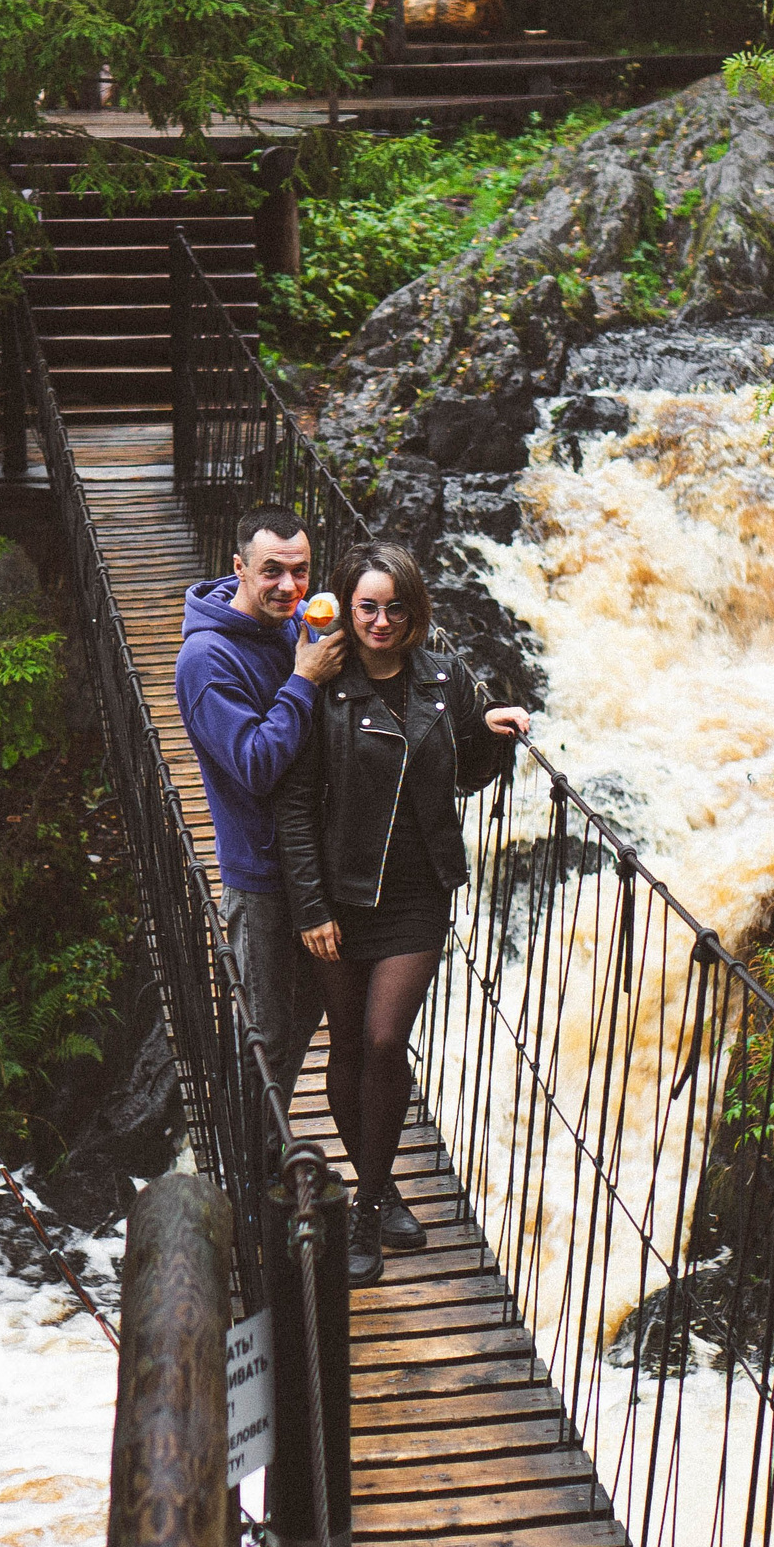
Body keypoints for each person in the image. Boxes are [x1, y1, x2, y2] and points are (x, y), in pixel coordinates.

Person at [277, 541, 532, 1284]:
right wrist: (310, 904)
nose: (380, 621)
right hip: (340, 899)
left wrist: (493, 735)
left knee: (386, 1041)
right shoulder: (324, 684)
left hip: (417, 894)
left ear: (413, 608)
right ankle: (382, 1187)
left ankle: (362, 1210)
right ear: (345, 610)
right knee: (349, 1045)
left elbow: (461, 776)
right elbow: (294, 805)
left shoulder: (446, 679)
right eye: (367, 607)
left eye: (394, 607)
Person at [176, 506, 346, 1096]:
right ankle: (250, 1170)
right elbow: (254, 764)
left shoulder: (294, 620)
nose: (289, 588)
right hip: (261, 871)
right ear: (239, 568)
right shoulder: (204, 661)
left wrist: (477, 717)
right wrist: (304, 679)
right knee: (267, 1036)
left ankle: (268, 1159)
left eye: (300, 572)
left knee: (304, 1019)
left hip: (313, 858)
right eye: (271, 571)